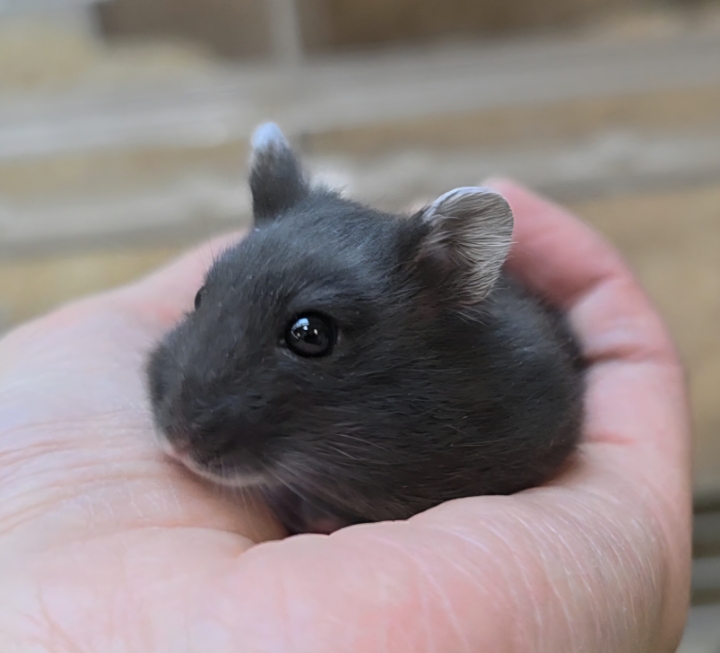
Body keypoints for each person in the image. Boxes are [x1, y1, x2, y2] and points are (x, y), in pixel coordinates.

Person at [0, 180, 691, 651]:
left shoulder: (511, 397)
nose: (184, 422)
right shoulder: (185, 378)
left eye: (310, 336)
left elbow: (545, 419)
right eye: (207, 302)